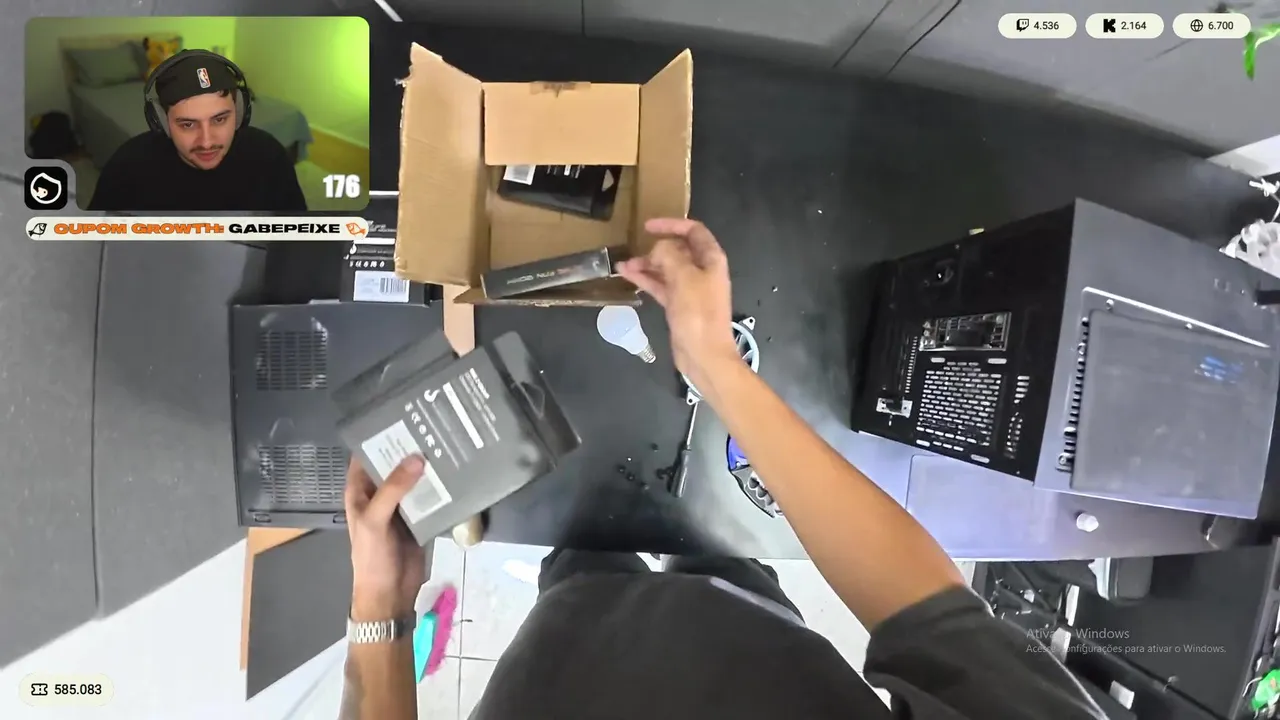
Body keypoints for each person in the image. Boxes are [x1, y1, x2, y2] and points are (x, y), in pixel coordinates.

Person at [338, 218, 1105, 720]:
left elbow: (937, 621)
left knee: (580, 570)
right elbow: (933, 617)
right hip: (750, 628)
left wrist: (380, 604)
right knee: (723, 560)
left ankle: (596, 570)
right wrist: (717, 366)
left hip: (569, 639)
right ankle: (687, 563)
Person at [87, 51, 307, 212]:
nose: (207, 142)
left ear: (240, 112)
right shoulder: (127, 166)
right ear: (161, 121)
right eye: (188, 124)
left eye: (219, 119)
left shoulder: (270, 156)